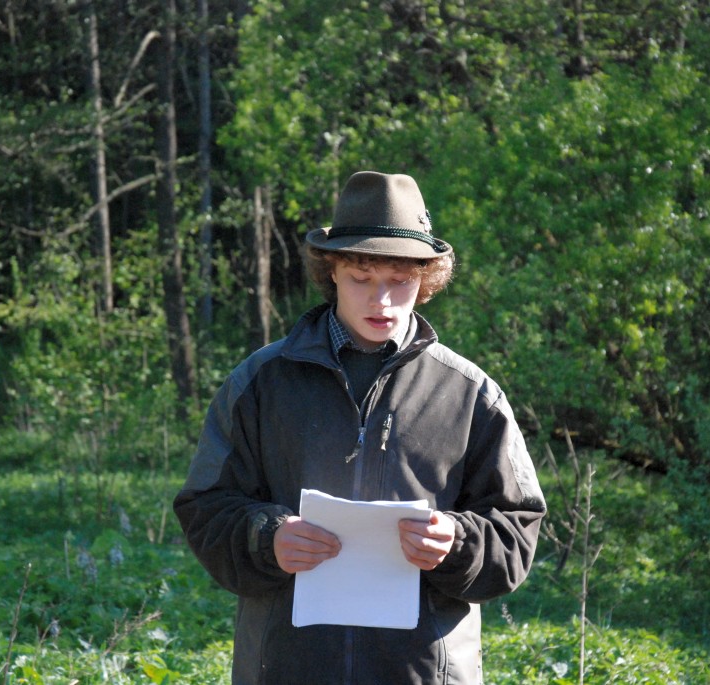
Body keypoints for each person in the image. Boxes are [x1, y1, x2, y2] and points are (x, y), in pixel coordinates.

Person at [173, 170, 546, 684]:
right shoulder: (260, 382)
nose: (382, 301)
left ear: (426, 278)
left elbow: (516, 531)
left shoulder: (471, 394)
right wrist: (267, 538)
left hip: (423, 673)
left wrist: (456, 542)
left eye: (400, 280)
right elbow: (205, 509)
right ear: (331, 271)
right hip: (288, 669)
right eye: (361, 278)